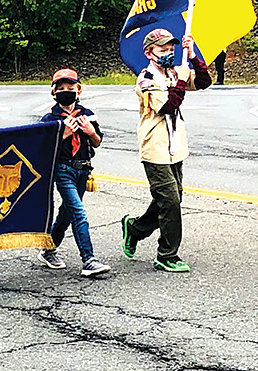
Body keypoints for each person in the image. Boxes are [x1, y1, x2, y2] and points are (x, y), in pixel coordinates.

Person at [121, 29, 211, 273]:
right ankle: (167, 254)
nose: (168, 53)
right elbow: (168, 106)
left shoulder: (174, 72)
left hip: (175, 145)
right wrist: (181, 81)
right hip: (155, 147)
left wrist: (192, 56)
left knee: (172, 198)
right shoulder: (146, 79)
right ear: (149, 53)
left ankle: (135, 228)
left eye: (171, 49)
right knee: (170, 201)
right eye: (162, 50)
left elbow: (204, 82)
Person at [36, 69, 111, 277]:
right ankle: (89, 260)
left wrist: (90, 132)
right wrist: (63, 134)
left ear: (79, 90)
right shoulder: (50, 119)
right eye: (61, 89)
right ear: (54, 93)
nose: (66, 92)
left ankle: (48, 249)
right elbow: (41, 148)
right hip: (63, 169)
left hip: (83, 169)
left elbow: (97, 142)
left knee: (67, 214)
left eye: (70, 88)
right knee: (78, 212)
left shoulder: (87, 115)